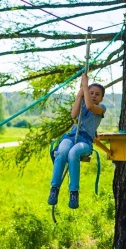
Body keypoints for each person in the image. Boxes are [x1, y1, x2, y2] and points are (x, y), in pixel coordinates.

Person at [48, 73, 106, 209]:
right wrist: (80, 94)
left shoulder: (101, 108)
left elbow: (91, 107)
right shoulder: (82, 104)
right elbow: (73, 115)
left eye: (97, 94)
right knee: (62, 151)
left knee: (73, 153)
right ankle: (54, 189)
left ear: (102, 98)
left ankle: (73, 192)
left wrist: (85, 86)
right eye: (91, 92)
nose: (93, 95)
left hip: (85, 140)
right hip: (72, 136)